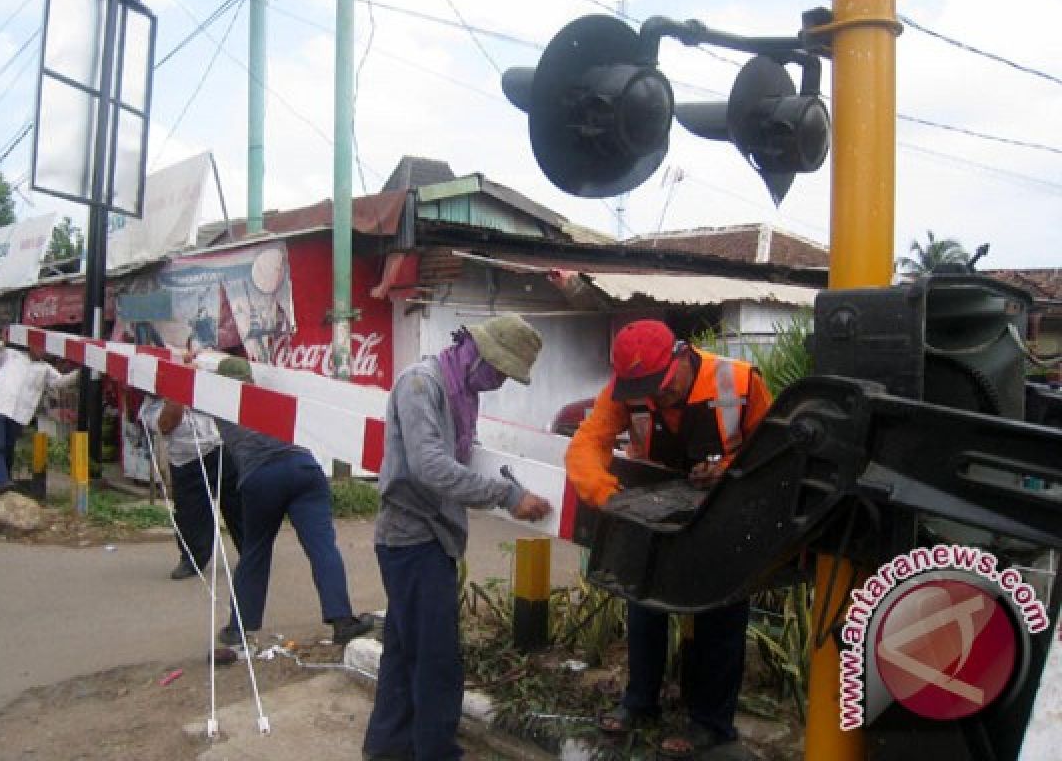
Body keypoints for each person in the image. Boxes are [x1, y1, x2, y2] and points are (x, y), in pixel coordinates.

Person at [565, 319, 772, 759]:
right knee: (643, 605)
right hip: (653, 513)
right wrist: (606, 496)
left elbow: (772, 449)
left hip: (723, 514)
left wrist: (727, 468)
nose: (657, 395)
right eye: (645, 388)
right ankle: (640, 703)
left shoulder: (738, 380)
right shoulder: (625, 390)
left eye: (662, 384)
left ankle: (710, 723)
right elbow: (587, 444)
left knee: (720, 617)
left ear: (681, 355)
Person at [363, 315, 554, 761]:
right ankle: (436, 752)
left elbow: (459, 459)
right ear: (480, 355)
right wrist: (507, 495)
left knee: (404, 650)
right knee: (437, 660)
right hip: (412, 539)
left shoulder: (460, 392)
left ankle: (389, 745)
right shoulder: (421, 385)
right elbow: (429, 466)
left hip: (433, 539)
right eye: (502, 371)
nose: (501, 382)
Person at [210, 355, 374, 647]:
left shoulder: (215, 402)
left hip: (260, 479)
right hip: (304, 470)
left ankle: (238, 629)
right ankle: (342, 621)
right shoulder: (273, 394)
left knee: (255, 553)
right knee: (322, 547)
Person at [139, 395, 244, 580]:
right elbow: (168, 422)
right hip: (185, 461)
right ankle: (193, 559)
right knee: (190, 513)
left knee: (238, 504)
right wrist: (178, 392)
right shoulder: (150, 409)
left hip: (219, 448)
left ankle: (251, 555)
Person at [0, 333, 78, 495]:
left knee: (7, 451)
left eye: (45, 348)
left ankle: (0, 490)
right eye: (39, 345)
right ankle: (1, 482)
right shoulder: (10, 354)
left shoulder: (45, 368)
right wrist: (2, 342)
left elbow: (60, 382)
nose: (42, 350)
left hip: (17, 415)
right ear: (30, 345)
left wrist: (82, 372)